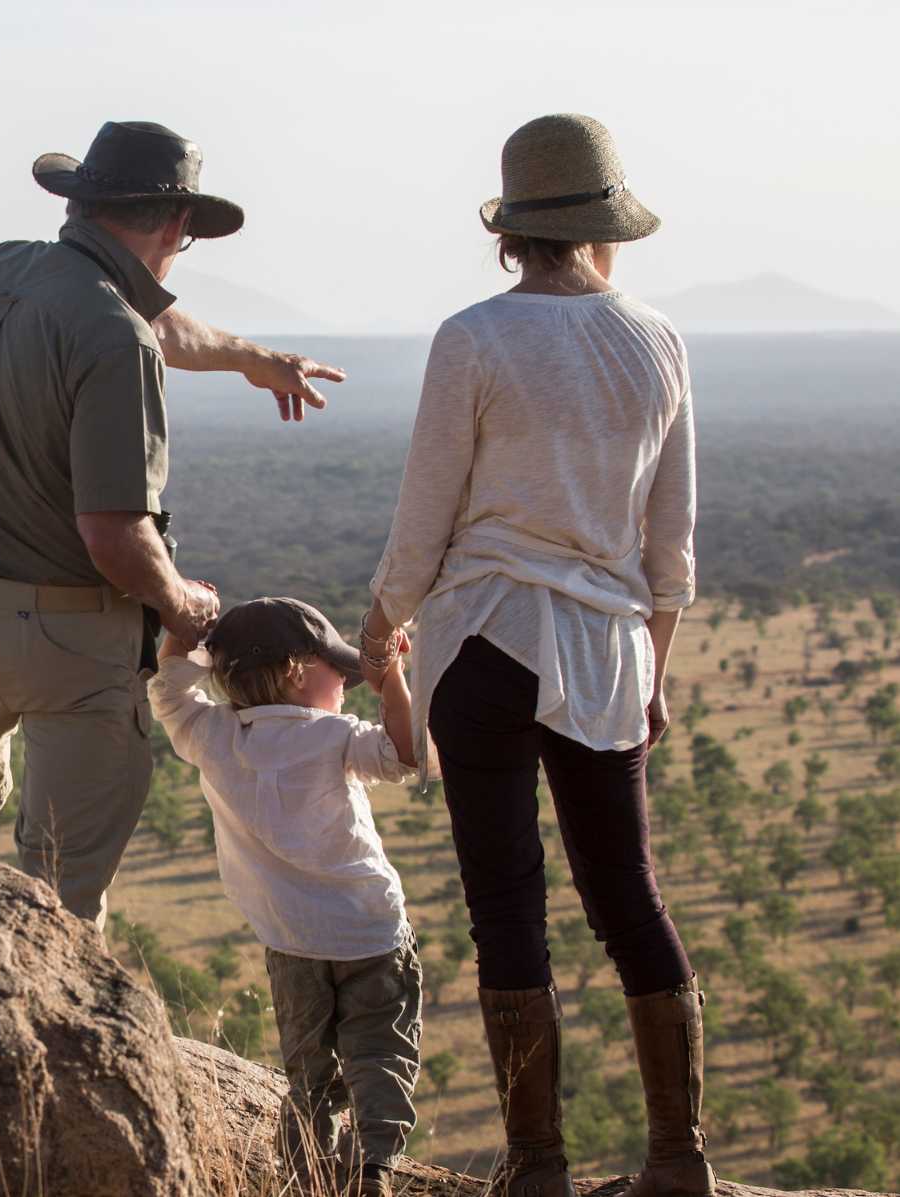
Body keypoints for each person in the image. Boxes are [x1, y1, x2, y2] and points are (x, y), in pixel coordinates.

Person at [359, 114, 708, 1197]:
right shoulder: (655, 341)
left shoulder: (472, 337)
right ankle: (676, 1157)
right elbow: (670, 546)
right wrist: (651, 670)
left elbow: (424, 516)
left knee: (505, 906)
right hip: (607, 652)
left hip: (483, 643)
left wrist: (380, 625)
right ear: (605, 227)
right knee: (628, 898)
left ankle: (537, 1165)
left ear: (510, 233)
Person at [0, 120, 349, 924]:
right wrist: (185, 606)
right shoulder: (117, 339)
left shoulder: (0, 272)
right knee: (60, 876)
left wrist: (253, 358)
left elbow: (149, 320)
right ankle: (48, 1036)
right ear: (176, 227)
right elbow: (116, 535)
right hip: (69, 637)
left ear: (83, 202)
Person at [148, 599, 421, 1197]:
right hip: (371, 931)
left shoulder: (214, 735)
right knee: (380, 1050)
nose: (348, 682)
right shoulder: (335, 736)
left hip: (290, 941)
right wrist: (392, 676)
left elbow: (167, 689)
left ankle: (307, 1176)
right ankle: (375, 1167)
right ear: (298, 672)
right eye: (337, 671)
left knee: (308, 1074)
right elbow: (407, 752)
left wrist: (198, 636)